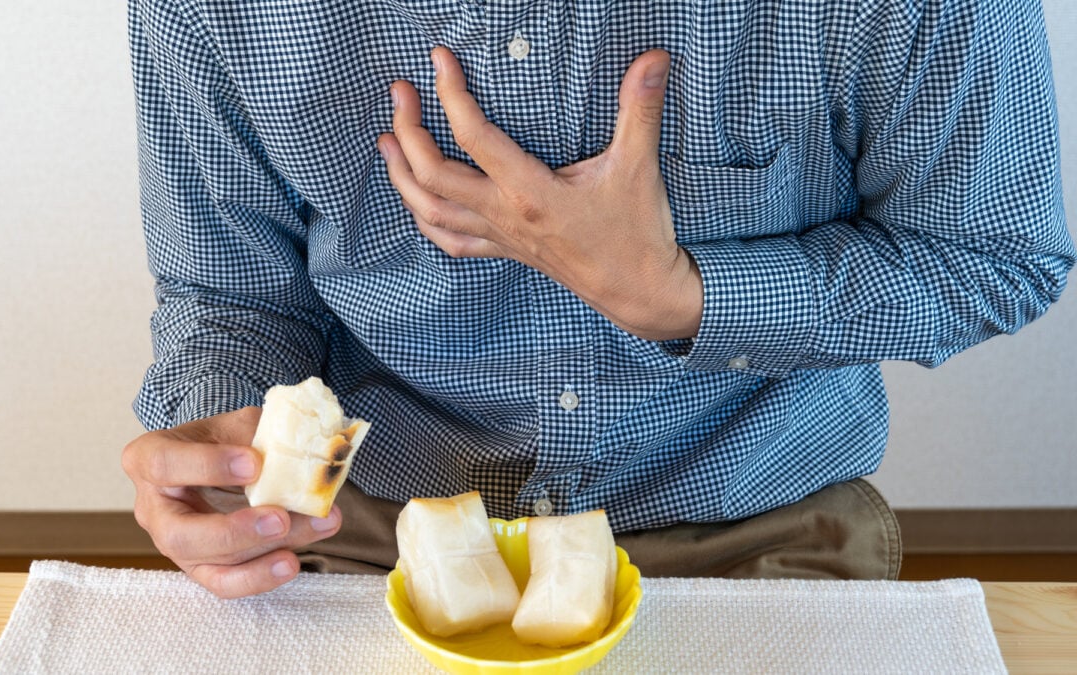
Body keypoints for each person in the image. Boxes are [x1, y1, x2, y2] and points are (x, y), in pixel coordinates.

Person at [120, 0, 1075, 599]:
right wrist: (226, 431)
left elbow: (997, 253)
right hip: (374, 525)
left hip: (753, 530)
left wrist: (683, 296)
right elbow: (231, 294)